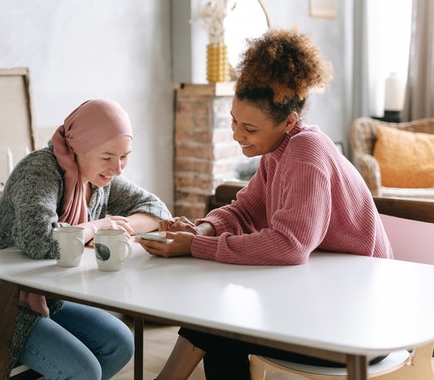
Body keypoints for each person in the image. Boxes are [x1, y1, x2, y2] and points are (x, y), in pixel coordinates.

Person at [137, 28, 393, 379]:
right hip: (323, 300)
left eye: (250, 128)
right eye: (233, 121)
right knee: (217, 321)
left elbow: (290, 246)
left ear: (289, 121)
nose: (237, 135)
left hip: (360, 327)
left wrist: (197, 245)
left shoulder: (306, 153)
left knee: (222, 327)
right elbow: (244, 209)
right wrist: (203, 228)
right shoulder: (279, 151)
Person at [0, 99, 171, 380]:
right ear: (79, 146)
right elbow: (40, 241)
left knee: (119, 343)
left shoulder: (98, 180)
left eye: (125, 156)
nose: (118, 168)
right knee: (84, 371)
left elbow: (157, 210)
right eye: (108, 156)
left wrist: (121, 227)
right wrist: (96, 226)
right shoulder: (40, 170)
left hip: (48, 299)